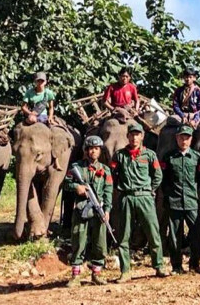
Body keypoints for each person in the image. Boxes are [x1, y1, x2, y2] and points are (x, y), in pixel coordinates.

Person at [111, 122, 169, 283]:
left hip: (145, 197)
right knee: (123, 235)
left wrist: (150, 189)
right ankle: (125, 271)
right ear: (127, 136)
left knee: (153, 232)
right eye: (132, 134)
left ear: (142, 136)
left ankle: (158, 266)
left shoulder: (149, 155)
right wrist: (121, 188)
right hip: (126, 197)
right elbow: (113, 174)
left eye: (137, 134)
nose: (134, 137)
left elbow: (158, 175)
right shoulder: (119, 155)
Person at [64, 135, 113, 288]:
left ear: (100, 151)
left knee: (100, 243)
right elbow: (66, 183)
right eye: (91, 149)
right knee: (79, 240)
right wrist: (76, 187)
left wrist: (107, 210)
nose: (93, 151)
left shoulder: (105, 170)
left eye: (96, 149)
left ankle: (96, 273)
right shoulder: (77, 167)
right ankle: (75, 275)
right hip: (81, 210)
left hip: (98, 212)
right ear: (86, 150)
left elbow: (108, 192)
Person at [161, 125, 200, 274]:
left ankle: (195, 264)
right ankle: (176, 266)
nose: (184, 140)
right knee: (174, 237)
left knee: (196, 233)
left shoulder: (197, 158)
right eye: (181, 137)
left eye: (187, 137)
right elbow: (164, 180)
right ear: (176, 138)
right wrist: (169, 196)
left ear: (191, 139)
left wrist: (193, 194)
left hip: (191, 201)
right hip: (174, 202)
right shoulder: (168, 158)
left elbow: (199, 180)